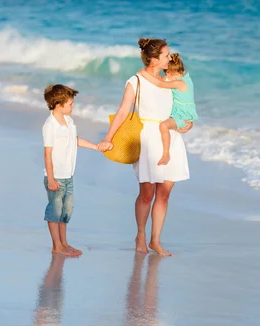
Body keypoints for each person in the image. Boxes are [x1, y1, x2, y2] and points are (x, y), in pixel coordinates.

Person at [98, 38, 193, 256]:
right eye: (166, 55)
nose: (170, 58)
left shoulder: (170, 79)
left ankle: (156, 240)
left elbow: (183, 107)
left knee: (165, 194)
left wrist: (188, 123)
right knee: (147, 194)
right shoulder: (136, 81)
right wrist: (109, 137)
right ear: (153, 59)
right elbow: (123, 111)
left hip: (170, 137)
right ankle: (140, 235)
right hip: (149, 138)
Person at [43, 84, 102, 257]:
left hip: (68, 175)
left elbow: (74, 140)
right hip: (55, 177)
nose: (73, 106)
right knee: (55, 211)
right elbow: (47, 155)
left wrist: (95, 147)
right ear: (58, 105)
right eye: (70, 104)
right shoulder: (50, 126)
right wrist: (52, 179)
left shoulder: (68, 121)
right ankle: (57, 246)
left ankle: (64, 243)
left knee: (66, 211)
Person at [139, 53, 198, 166]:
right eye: (168, 75)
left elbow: (161, 84)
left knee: (163, 126)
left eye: (171, 75)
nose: (169, 78)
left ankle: (166, 154)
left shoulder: (179, 83)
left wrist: (144, 74)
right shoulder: (186, 79)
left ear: (180, 72)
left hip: (182, 115)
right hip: (182, 113)